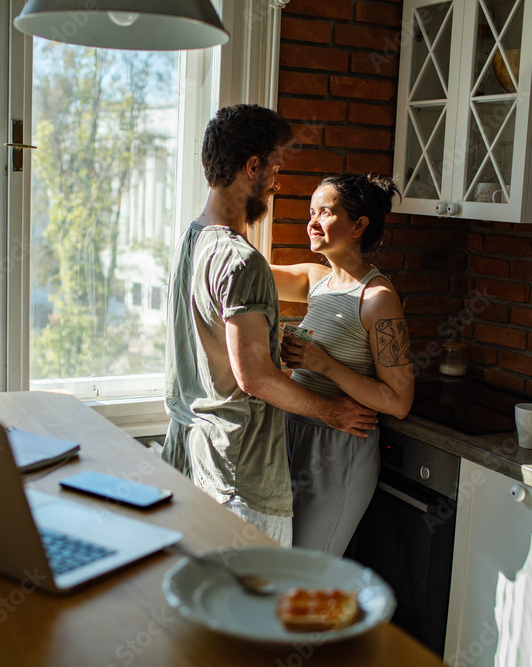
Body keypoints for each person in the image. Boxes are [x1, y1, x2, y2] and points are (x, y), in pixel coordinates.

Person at [163, 105, 378, 547]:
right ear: (252, 167)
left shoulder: (191, 240)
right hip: (241, 478)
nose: (278, 183)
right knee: (253, 614)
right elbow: (255, 377)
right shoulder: (243, 261)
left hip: (193, 458)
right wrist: (329, 410)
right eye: (275, 169)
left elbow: (222, 351)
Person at [271, 173, 415, 556]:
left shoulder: (378, 298)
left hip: (339, 448)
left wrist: (325, 365)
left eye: (325, 212)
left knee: (305, 570)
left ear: (358, 226)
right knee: (278, 564)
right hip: (293, 432)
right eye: (310, 212)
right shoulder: (315, 279)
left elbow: (399, 400)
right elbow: (247, 274)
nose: (312, 222)